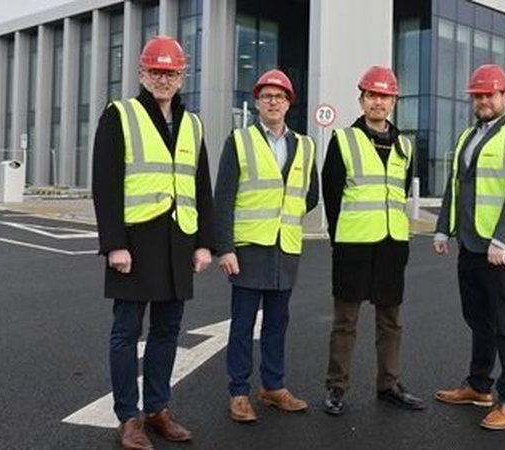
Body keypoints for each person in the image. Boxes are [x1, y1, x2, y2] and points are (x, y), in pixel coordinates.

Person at [92, 35, 213, 450]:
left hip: (179, 241)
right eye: (156, 71)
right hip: (136, 243)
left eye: (172, 72)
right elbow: (105, 185)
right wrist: (114, 244)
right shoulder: (120, 115)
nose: (164, 79)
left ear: (182, 77)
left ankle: (158, 409)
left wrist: (204, 243)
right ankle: (129, 418)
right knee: (126, 331)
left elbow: (202, 187)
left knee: (168, 330)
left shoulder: (192, 123)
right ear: (142, 73)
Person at [433, 64, 505, 431]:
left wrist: (503, 239)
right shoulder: (468, 136)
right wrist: (442, 229)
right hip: (471, 244)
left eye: (489, 94)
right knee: (478, 318)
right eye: (477, 95)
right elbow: (457, 186)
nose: (482, 100)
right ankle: (479, 385)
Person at [213, 69, 319, 423]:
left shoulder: (304, 145)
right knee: (242, 325)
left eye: (280, 96)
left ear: (289, 103)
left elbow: (311, 195)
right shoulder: (239, 140)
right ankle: (239, 392)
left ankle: (273, 387)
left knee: (277, 323)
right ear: (256, 102)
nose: (273, 101)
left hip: (284, 248)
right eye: (267, 96)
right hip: (247, 249)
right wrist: (224, 247)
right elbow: (223, 197)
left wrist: (284, 215)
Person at [321, 65, 425, 416]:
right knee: (345, 322)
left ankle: (389, 384)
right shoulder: (343, 140)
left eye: (384, 96)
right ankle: (337, 387)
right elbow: (332, 195)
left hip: (393, 245)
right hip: (352, 245)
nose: (378, 101)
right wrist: (340, 237)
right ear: (362, 99)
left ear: (394, 100)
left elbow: (401, 193)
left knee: (391, 321)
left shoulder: (405, 146)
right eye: (372, 95)